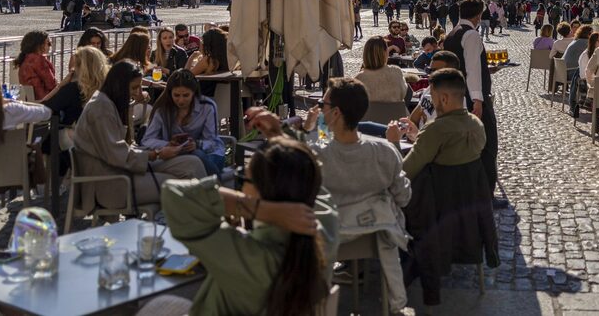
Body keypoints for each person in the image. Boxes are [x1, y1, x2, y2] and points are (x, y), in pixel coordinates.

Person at [161, 135, 340, 316]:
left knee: (158, 305)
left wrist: (258, 208)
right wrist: (280, 144)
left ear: (261, 191)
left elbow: (173, 194)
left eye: (243, 177)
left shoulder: (246, 256)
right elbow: (310, 184)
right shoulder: (325, 230)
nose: (239, 189)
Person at [310, 78, 412, 316]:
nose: (319, 108)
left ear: (335, 113)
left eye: (322, 104)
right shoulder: (384, 151)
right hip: (376, 232)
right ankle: (397, 305)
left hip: (332, 235)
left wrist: (310, 131)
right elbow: (404, 197)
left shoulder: (317, 156)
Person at [73, 60, 205, 211]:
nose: (137, 92)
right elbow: (117, 155)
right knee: (178, 184)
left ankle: (205, 215)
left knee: (192, 163)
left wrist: (162, 148)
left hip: (124, 170)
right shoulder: (101, 109)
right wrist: (156, 153)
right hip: (111, 183)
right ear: (119, 86)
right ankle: (200, 220)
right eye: (134, 88)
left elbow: (123, 149)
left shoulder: (108, 103)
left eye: (139, 87)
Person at [442, 0, 504, 208]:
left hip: (456, 95)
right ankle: (486, 194)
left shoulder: (451, 34)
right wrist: (478, 100)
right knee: (488, 145)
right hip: (472, 98)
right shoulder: (471, 35)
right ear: (478, 16)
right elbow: (472, 69)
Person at [386, 68, 486, 181]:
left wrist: (393, 142)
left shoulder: (434, 129)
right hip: (470, 193)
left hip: (436, 194)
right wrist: (418, 136)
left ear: (444, 99)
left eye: (432, 96)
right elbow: (445, 153)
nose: (431, 101)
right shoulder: (477, 125)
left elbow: (403, 173)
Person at [141, 69, 225, 177]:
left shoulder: (207, 106)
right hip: (177, 155)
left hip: (209, 153)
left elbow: (212, 141)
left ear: (193, 93)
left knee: (196, 154)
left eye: (186, 96)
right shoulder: (162, 110)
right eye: (176, 95)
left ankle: (214, 186)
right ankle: (216, 186)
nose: (181, 101)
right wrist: (168, 144)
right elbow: (147, 140)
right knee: (193, 160)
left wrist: (197, 144)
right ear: (170, 93)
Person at [356, 37, 410, 103]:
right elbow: (403, 94)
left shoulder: (359, 78)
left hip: (370, 113)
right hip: (395, 112)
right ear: (385, 53)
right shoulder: (396, 72)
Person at [188, 27, 231, 98]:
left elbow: (186, 76)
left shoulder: (208, 61)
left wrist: (191, 58)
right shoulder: (229, 58)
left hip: (204, 99)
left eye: (202, 41)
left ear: (207, 44)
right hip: (227, 100)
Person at [15, 30, 57, 101]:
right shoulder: (38, 60)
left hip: (30, 98)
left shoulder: (25, 59)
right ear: (40, 45)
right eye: (48, 43)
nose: (50, 46)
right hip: (44, 98)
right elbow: (51, 84)